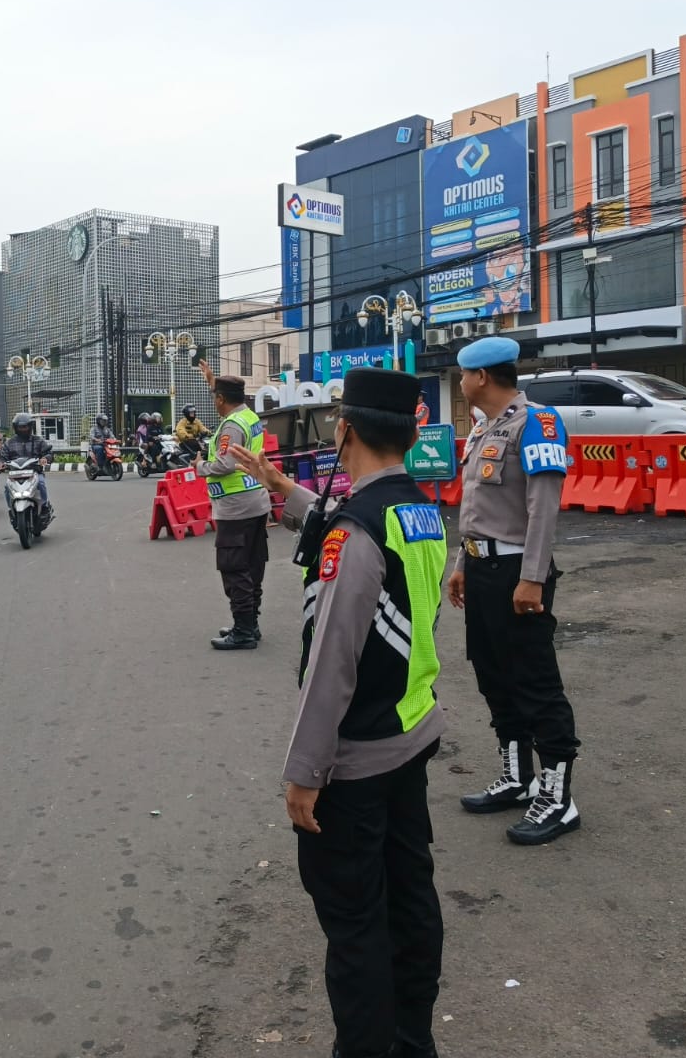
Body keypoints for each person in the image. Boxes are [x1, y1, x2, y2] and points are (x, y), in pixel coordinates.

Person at [226, 365, 446, 1058]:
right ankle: (412, 1041)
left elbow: (330, 665)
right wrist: (278, 484)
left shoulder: (355, 536)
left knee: (356, 929)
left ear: (345, 430)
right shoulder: (417, 508)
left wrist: (304, 771)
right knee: (410, 900)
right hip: (410, 733)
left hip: (355, 763)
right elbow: (345, 529)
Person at [448, 335, 580, 846]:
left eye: (464, 375)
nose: (461, 383)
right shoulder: (484, 428)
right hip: (482, 569)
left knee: (534, 681)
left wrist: (532, 576)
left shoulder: (537, 423)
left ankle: (558, 798)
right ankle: (518, 776)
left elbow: (543, 508)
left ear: (481, 377)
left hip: (516, 572)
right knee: (493, 674)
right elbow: (477, 510)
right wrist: (463, 562)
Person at [194, 363, 271, 651]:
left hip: (236, 508)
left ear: (221, 399)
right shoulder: (249, 416)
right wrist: (212, 381)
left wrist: (200, 466)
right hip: (256, 501)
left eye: (215, 396)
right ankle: (251, 623)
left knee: (234, 567)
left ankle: (243, 631)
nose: (214, 401)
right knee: (252, 565)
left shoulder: (231, 425)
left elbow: (224, 465)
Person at [1, 411, 54, 516]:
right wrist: (1, 463)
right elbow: (3, 456)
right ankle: (11, 508)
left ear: (30, 426)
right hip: (15, 474)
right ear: (16, 428)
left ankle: (44, 507)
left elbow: (48, 453)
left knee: (41, 483)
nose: (23, 429)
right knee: (7, 487)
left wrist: (45, 458)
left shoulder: (38, 440)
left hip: (34, 472)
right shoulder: (9, 443)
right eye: (20, 427)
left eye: (25, 427)